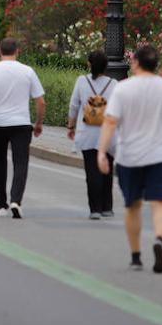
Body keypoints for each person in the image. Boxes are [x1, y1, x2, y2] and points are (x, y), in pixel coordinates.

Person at [97, 44, 162, 273]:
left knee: (132, 206)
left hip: (129, 156)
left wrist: (101, 152)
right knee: (160, 203)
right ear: (156, 64)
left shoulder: (123, 89)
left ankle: (136, 256)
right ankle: (159, 238)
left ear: (136, 63)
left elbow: (110, 121)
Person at [0, 38, 46, 219]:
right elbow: (40, 101)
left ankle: (1, 204)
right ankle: (16, 200)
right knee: (20, 163)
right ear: (18, 51)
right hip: (22, 124)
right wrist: (38, 123)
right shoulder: (28, 71)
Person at [67, 51, 115, 219]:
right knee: (107, 170)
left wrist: (70, 125)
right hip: (108, 134)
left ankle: (94, 209)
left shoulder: (82, 81)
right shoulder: (114, 84)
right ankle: (107, 207)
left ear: (89, 64)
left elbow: (74, 106)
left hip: (87, 133)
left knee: (91, 171)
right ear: (106, 66)